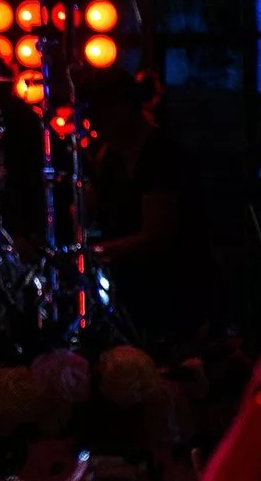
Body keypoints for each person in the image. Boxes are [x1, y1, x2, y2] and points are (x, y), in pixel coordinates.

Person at [82, 68, 218, 342]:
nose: (96, 124)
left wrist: (93, 253)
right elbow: (99, 216)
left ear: (124, 109)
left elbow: (156, 236)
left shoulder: (162, 155)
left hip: (172, 294)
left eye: (101, 114)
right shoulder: (112, 161)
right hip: (131, 298)